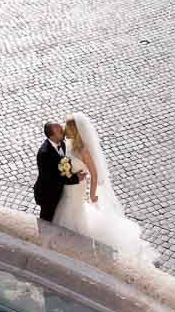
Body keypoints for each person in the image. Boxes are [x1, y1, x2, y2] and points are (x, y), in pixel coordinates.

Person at [50, 112, 159, 265]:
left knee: (75, 211)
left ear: (75, 131)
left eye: (67, 128)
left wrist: (92, 194)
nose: (64, 129)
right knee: (65, 209)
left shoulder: (84, 151)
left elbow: (94, 174)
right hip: (68, 188)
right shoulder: (68, 144)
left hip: (78, 189)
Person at [33, 122, 87, 222]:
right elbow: (53, 178)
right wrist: (76, 178)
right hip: (48, 195)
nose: (63, 131)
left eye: (61, 128)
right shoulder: (44, 154)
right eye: (59, 131)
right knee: (46, 221)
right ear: (52, 136)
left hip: (61, 192)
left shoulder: (62, 143)